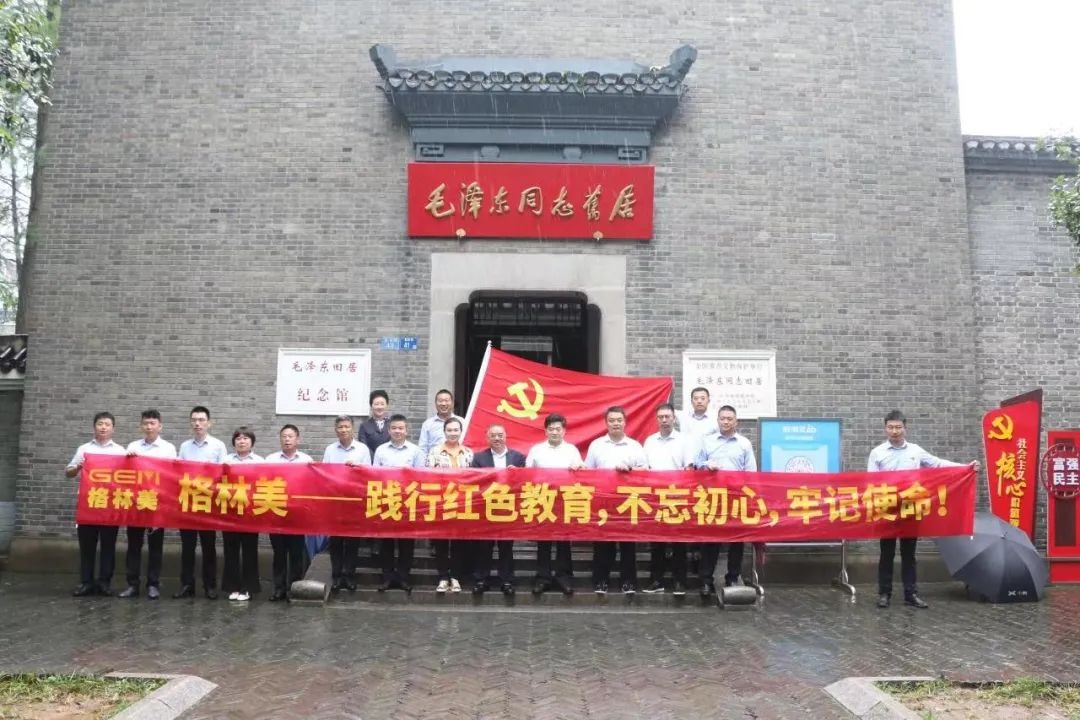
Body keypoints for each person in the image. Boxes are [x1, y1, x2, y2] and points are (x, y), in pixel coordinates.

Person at [869, 410, 979, 610]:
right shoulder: (877, 453)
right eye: (891, 427)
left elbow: (937, 464)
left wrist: (966, 467)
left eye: (898, 427)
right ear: (885, 428)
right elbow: (871, 481)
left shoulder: (915, 451)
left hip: (911, 506)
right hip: (888, 507)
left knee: (909, 554)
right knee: (886, 553)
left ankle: (910, 594)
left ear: (905, 428)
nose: (894, 431)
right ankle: (884, 594)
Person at [693, 405, 756, 597]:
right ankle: (706, 581)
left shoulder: (744, 444)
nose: (726, 422)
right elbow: (696, 464)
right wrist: (706, 465)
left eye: (730, 419)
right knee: (710, 541)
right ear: (718, 420)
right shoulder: (707, 441)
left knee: (736, 542)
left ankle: (732, 578)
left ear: (736, 422)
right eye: (723, 418)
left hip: (737, 498)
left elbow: (751, 472)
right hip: (712, 498)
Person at [585, 406, 648, 595]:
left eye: (619, 420)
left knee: (627, 544)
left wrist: (630, 469)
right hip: (603, 502)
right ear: (606, 423)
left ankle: (628, 582)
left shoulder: (634, 446)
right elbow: (588, 471)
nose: (615, 423)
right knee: (602, 543)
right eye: (612, 420)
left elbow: (646, 471)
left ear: (625, 422)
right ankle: (601, 581)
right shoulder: (596, 445)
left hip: (628, 501)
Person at [119, 409, 177, 600]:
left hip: (156, 504)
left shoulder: (168, 448)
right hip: (135, 503)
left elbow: (171, 476)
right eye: (146, 423)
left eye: (153, 423)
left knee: (155, 547)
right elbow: (124, 473)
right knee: (133, 546)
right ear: (141, 426)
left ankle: (153, 584)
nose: (149, 426)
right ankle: (132, 584)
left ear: (160, 426)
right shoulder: (133, 446)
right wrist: (127, 458)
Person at [67, 411, 126, 597]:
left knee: (108, 546)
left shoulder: (120, 451)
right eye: (100, 424)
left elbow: (128, 477)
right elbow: (68, 472)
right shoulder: (84, 449)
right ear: (94, 427)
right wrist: (77, 467)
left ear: (113, 429)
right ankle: (86, 582)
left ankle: (104, 583)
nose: (103, 427)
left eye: (107, 424)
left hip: (110, 506)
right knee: (87, 546)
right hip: (88, 505)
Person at [525, 413, 583, 596]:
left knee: (563, 542)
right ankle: (543, 578)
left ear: (564, 431)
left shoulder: (572, 450)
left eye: (558, 429)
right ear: (545, 431)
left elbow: (582, 473)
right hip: (542, 499)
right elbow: (526, 474)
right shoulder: (536, 450)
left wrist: (579, 468)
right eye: (551, 429)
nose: (555, 432)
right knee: (543, 542)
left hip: (565, 500)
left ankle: (564, 578)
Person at [175, 405, 227, 600]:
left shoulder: (218, 446)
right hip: (188, 503)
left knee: (208, 546)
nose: (197, 423)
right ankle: (186, 585)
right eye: (194, 420)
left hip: (208, 503)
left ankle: (210, 586)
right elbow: (177, 472)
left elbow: (223, 474)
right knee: (187, 547)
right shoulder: (184, 447)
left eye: (201, 420)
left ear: (209, 423)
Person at [468, 424, 526, 596]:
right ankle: (481, 579)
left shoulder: (518, 458)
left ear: (506, 436)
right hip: (486, 508)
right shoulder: (479, 458)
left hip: (508, 509)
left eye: (500, 435)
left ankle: (506, 580)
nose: (497, 438)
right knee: (484, 546)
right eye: (493, 435)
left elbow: (525, 483)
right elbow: (474, 482)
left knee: (506, 547)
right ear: (487, 438)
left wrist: (517, 474)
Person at [373, 414, 425, 592]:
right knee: (386, 542)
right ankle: (387, 577)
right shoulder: (381, 450)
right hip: (386, 501)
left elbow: (421, 477)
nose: (397, 431)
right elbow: (375, 476)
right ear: (389, 430)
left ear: (406, 430)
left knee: (406, 543)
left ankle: (403, 578)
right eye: (394, 428)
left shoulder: (415, 451)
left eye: (401, 428)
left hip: (408, 502)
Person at [642, 403, 689, 596]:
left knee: (679, 542)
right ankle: (657, 580)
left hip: (678, 496)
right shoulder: (649, 441)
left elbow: (689, 468)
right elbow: (644, 467)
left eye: (667, 416)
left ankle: (680, 581)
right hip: (655, 497)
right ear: (656, 419)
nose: (664, 420)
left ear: (674, 418)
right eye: (660, 417)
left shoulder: (684, 440)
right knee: (657, 542)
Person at [322, 414, 371, 592]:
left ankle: (349, 575)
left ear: (353, 428)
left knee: (352, 541)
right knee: (335, 541)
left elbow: (369, 473)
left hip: (355, 501)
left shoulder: (362, 449)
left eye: (347, 426)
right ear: (336, 430)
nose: (344, 430)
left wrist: (357, 468)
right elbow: (324, 473)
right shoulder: (330, 449)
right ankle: (336, 576)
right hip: (335, 501)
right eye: (340, 427)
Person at [264, 424, 313, 601]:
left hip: (297, 515)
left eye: (290, 436)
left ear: (297, 439)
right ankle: (279, 588)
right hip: (276, 512)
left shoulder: (306, 460)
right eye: (284, 436)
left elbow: (311, 485)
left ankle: (294, 588)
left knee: (296, 554)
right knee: (279, 553)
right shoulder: (270, 459)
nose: (287, 439)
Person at [426, 417, 473, 593]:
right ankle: (443, 578)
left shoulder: (468, 453)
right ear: (444, 432)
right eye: (449, 430)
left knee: (459, 543)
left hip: (462, 503)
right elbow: (428, 475)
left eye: (456, 430)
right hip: (440, 503)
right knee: (441, 542)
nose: (453, 433)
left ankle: (455, 577)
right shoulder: (434, 452)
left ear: (460, 432)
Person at [222, 426, 262, 602]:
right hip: (230, 512)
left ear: (252, 442)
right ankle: (233, 587)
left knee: (249, 552)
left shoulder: (260, 461)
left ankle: (248, 588)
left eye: (246, 438)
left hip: (250, 513)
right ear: (234, 442)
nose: (242, 441)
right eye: (238, 438)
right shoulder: (226, 461)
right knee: (230, 551)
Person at [418, 388, 464, 456]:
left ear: (452, 403)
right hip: (434, 461)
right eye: (440, 401)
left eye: (446, 401)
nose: (443, 404)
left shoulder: (462, 422)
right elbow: (422, 449)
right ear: (435, 403)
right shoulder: (428, 424)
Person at [358, 390, 391, 456]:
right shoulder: (364, 426)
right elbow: (364, 447)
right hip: (371, 460)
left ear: (386, 405)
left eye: (382, 404)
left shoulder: (392, 425)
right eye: (376, 404)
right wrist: (375, 459)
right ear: (371, 406)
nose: (379, 407)